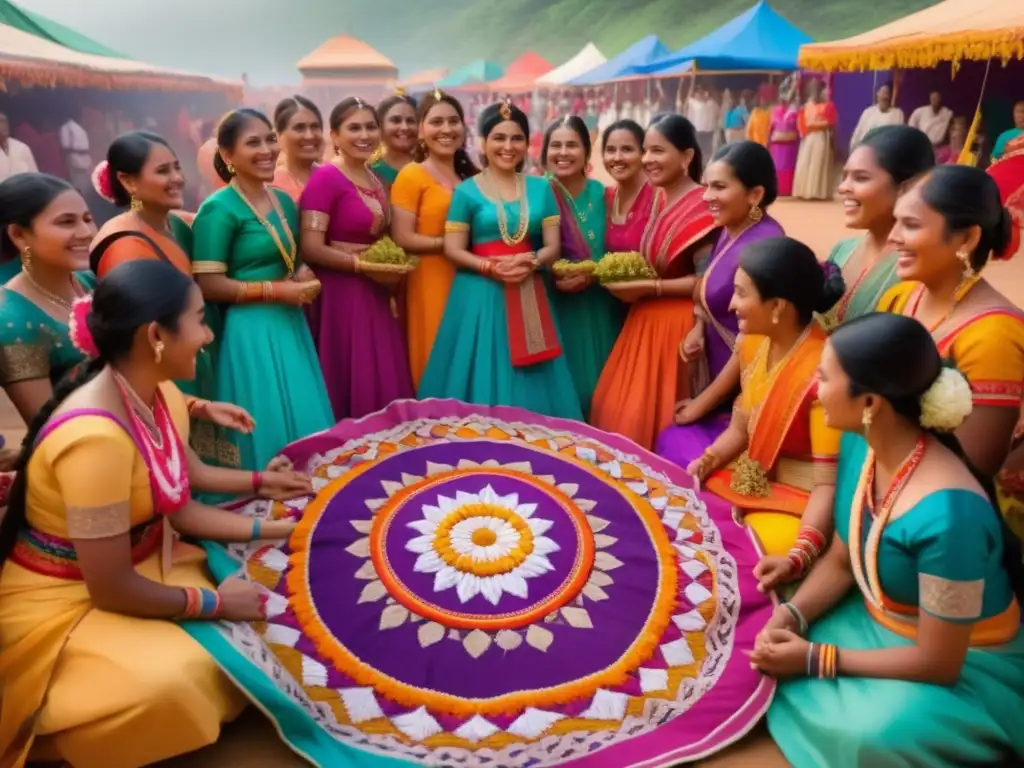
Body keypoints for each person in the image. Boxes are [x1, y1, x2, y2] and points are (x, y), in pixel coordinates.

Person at [0, 260, 300, 768]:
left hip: (148, 561)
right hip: (72, 598)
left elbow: (181, 496)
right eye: (201, 319)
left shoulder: (153, 389)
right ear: (156, 334)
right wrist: (214, 604)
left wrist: (277, 514)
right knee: (180, 679)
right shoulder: (95, 438)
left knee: (263, 609)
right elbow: (111, 587)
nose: (207, 334)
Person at [760, 312, 1024, 768]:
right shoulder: (862, 446)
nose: (814, 389)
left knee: (873, 736)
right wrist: (793, 613)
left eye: (823, 378)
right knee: (762, 615)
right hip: (873, 619)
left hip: (962, 664)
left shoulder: (951, 518)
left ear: (871, 403)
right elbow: (843, 560)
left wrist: (815, 659)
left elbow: (940, 664)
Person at [419, 100, 580, 418]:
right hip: (479, 294)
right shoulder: (467, 191)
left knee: (530, 376)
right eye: (499, 138)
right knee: (481, 365)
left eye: (516, 138)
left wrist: (530, 262)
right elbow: (453, 249)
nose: (508, 146)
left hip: (528, 289)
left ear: (526, 142)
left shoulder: (540, 188)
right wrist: (488, 267)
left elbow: (553, 247)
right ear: (482, 142)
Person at [689, 237, 844, 564]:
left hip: (800, 499)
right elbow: (740, 429)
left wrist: (803, 550)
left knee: (733, 547)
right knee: (689, 511)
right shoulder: (754, 343)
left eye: (742, 294)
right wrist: (708, 460)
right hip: (754, 476)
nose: (731, 304)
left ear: (777, 307)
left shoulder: (823, 374)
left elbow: (826, 484)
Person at [193, 109, 332, 471]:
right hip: (250, 331)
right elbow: (209, 284)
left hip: (290, 324)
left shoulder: (282, 201)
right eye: (253, 142)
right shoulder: (217, 210)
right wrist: (275, 291)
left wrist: (302, 275)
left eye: (270, 139)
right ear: (227, 156)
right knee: (265, 414)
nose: (267, 149)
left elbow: (292, 259)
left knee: (303, 412)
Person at [879, 165, 1024, 480]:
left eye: (911, 225)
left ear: (968, 238)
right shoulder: (900, 297)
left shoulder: (993, 334)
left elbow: (972, 468)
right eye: (895, 222)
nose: (893, 237)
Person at [590, 115, 715, 449]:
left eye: (657, 151)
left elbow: (709, 279)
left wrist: (652, 288)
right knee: (615, 413)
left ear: (687, 157)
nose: (647, 159)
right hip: (643, 319)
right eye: (646, 150)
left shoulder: (703, 206)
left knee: (653, 422)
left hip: (677, 326)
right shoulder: (658, 197)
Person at [657, 141, 784, 468]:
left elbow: (753, 341)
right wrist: (700, 326)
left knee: (679, 447)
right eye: (707, 185)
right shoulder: (732, 228)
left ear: (755, 195)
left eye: (720, 187)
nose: (707, 196)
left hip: (741, 391)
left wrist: (702, 403)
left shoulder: (766, 246)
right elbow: (710, 287)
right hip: (716, 372)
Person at [300, 97, 414, 420]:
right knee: (353, 375)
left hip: (376, 291)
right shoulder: (326, 179)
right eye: (354, 128)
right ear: (334, 136)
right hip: (341, 296)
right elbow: (311, 246)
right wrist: (360, 265)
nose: (364, 134)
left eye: (370, 126)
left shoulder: (375, 180)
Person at [391, 89, 478, 389]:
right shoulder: (412, 175)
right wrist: (451, 246)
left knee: (468, 353)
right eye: (436, 121)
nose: (446, 129)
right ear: (420, 130)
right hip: (430, 278)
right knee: (436, 354)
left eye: (453, 121)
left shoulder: (470, 178)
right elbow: (402, 237)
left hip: (470, 278)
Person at [544, 115, 623, 418]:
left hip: (599, 305)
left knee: (598, 386)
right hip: (552, 304)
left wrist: (593, 273)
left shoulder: (605, 195)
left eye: (572, 145)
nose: (563, 152)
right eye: (556, 145)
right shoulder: (536, 194)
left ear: (586, 153)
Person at [0, 174, 95, 420]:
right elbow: (47, 427)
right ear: (19, 235)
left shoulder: (91, 282)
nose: (85, 232)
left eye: (87, 219)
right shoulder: (13, 321)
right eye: (66, 222)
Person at [825, 125, 935, 326]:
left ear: (907, 187)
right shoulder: (842, 251)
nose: (843, 188)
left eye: (861, 178)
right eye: (845, 177)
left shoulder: (917, 267)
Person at [601, 119, 655, 256]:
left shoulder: (658, 198)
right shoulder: (603, 198)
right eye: (610, 150)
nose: (617, 157)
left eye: (627, 149)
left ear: (643, 154)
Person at [271, 96, 324, 202]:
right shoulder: (272, 187)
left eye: (315, 127)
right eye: (299, 128)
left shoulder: (334, 178)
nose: (309, 136)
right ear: (278, 136)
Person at [792, 80, 839, 201]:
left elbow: (832, 123)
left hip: (821, 137)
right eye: (824, 90)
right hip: (812, 137)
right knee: (809, 162)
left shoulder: (828, 105)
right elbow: (805, 123)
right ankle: (808, 192)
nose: (826, 92)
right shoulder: (808, 106)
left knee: (819, 162)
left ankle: (817, 192)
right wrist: (823, 124)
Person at [369, 92, 418, 187]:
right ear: (380, 126)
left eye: (410, 121)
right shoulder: (369, 173)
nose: (405, 127)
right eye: (396, 120)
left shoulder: (430, 169)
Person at [849, 83, 905, 151]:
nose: (885, 96)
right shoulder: (868, 112)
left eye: (887, 93)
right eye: (882, 92)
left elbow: (898, 139)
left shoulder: (897, 113)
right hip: (865, 151)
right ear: (877, 94)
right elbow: (857, 135)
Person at [767, 89, 800, 198]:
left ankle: (788, 190)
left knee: (789, 166)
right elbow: (770, 128)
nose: (783, 100)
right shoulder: (775, 111)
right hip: (777, 144)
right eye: (781, 98)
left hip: (790, 145)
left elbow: (799, 128)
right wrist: (767, 142)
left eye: (786, 98)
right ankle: (778, 189)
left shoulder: (795, 112)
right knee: (778, 166)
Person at [58, 112, 93, 194]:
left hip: (75, 160)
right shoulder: (79, 128)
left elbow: (65, 146)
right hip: (86, 160)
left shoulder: (65, 128)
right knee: (87, 187)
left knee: (79, 187)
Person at [0, 111, 38, 182]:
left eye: (5, 122)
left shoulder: (22, 148)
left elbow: (35, 177)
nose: (4, 125)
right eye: (0, 122)